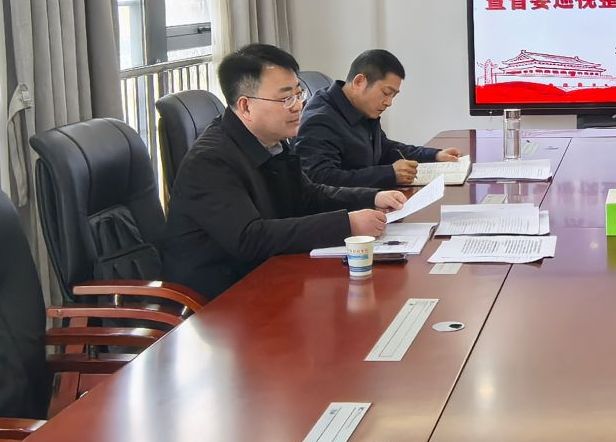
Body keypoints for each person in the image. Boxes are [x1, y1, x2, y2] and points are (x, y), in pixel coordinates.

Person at [160, 44, 407, 299]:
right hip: (220, 298)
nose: (298, 106)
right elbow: (250, 238)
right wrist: (348, 224)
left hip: (269, 275)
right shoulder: (210, 161)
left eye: (299, 94)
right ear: (245, 106)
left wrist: (372, 197)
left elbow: (307, 195)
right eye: (285, 98)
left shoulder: (272, 140)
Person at [295, 48, 463, 189]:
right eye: (386, 93)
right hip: (348, 213)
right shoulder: (320, 120)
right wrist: (388, 174)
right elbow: (320, 179)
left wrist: (435, 155)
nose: (389, 102)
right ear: (359, 82)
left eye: (393, 96)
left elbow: (384, 147)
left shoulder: (360, 108)